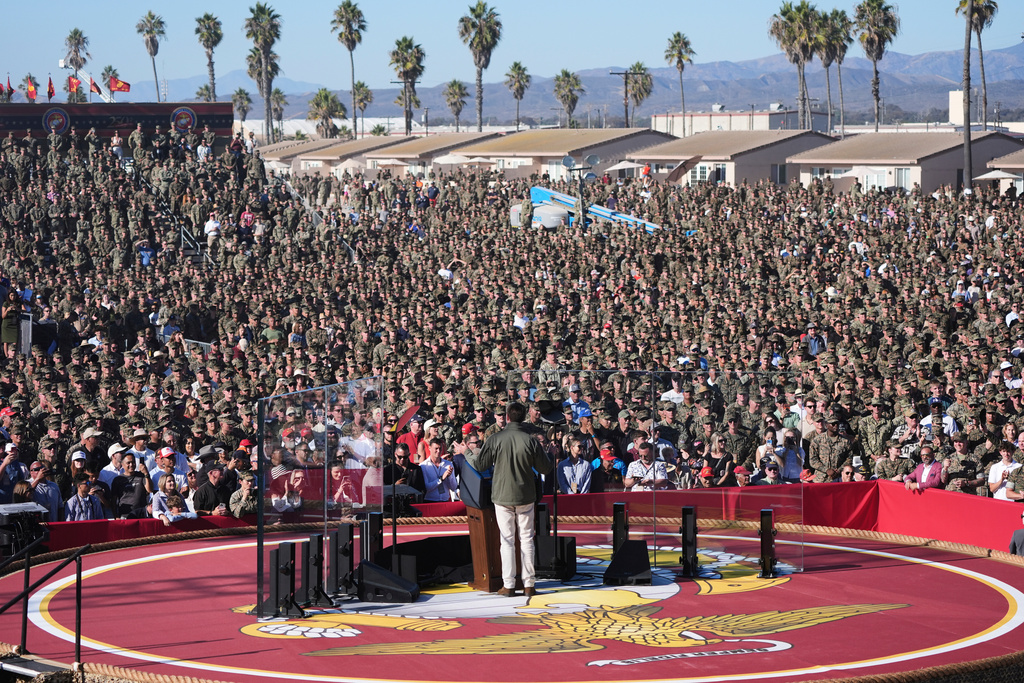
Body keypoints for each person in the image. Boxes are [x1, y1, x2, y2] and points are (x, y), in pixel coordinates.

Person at [464, 402, 552, 598]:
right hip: (526, 495)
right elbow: (546, 468)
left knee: (507, 541)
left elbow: (480, 465)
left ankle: (509, 585)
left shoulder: (495, 439)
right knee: (527, 539)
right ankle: (529, 584)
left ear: (508, 417)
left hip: (502, 497)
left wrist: (467, 452)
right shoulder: (530, 441)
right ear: (523, 418)